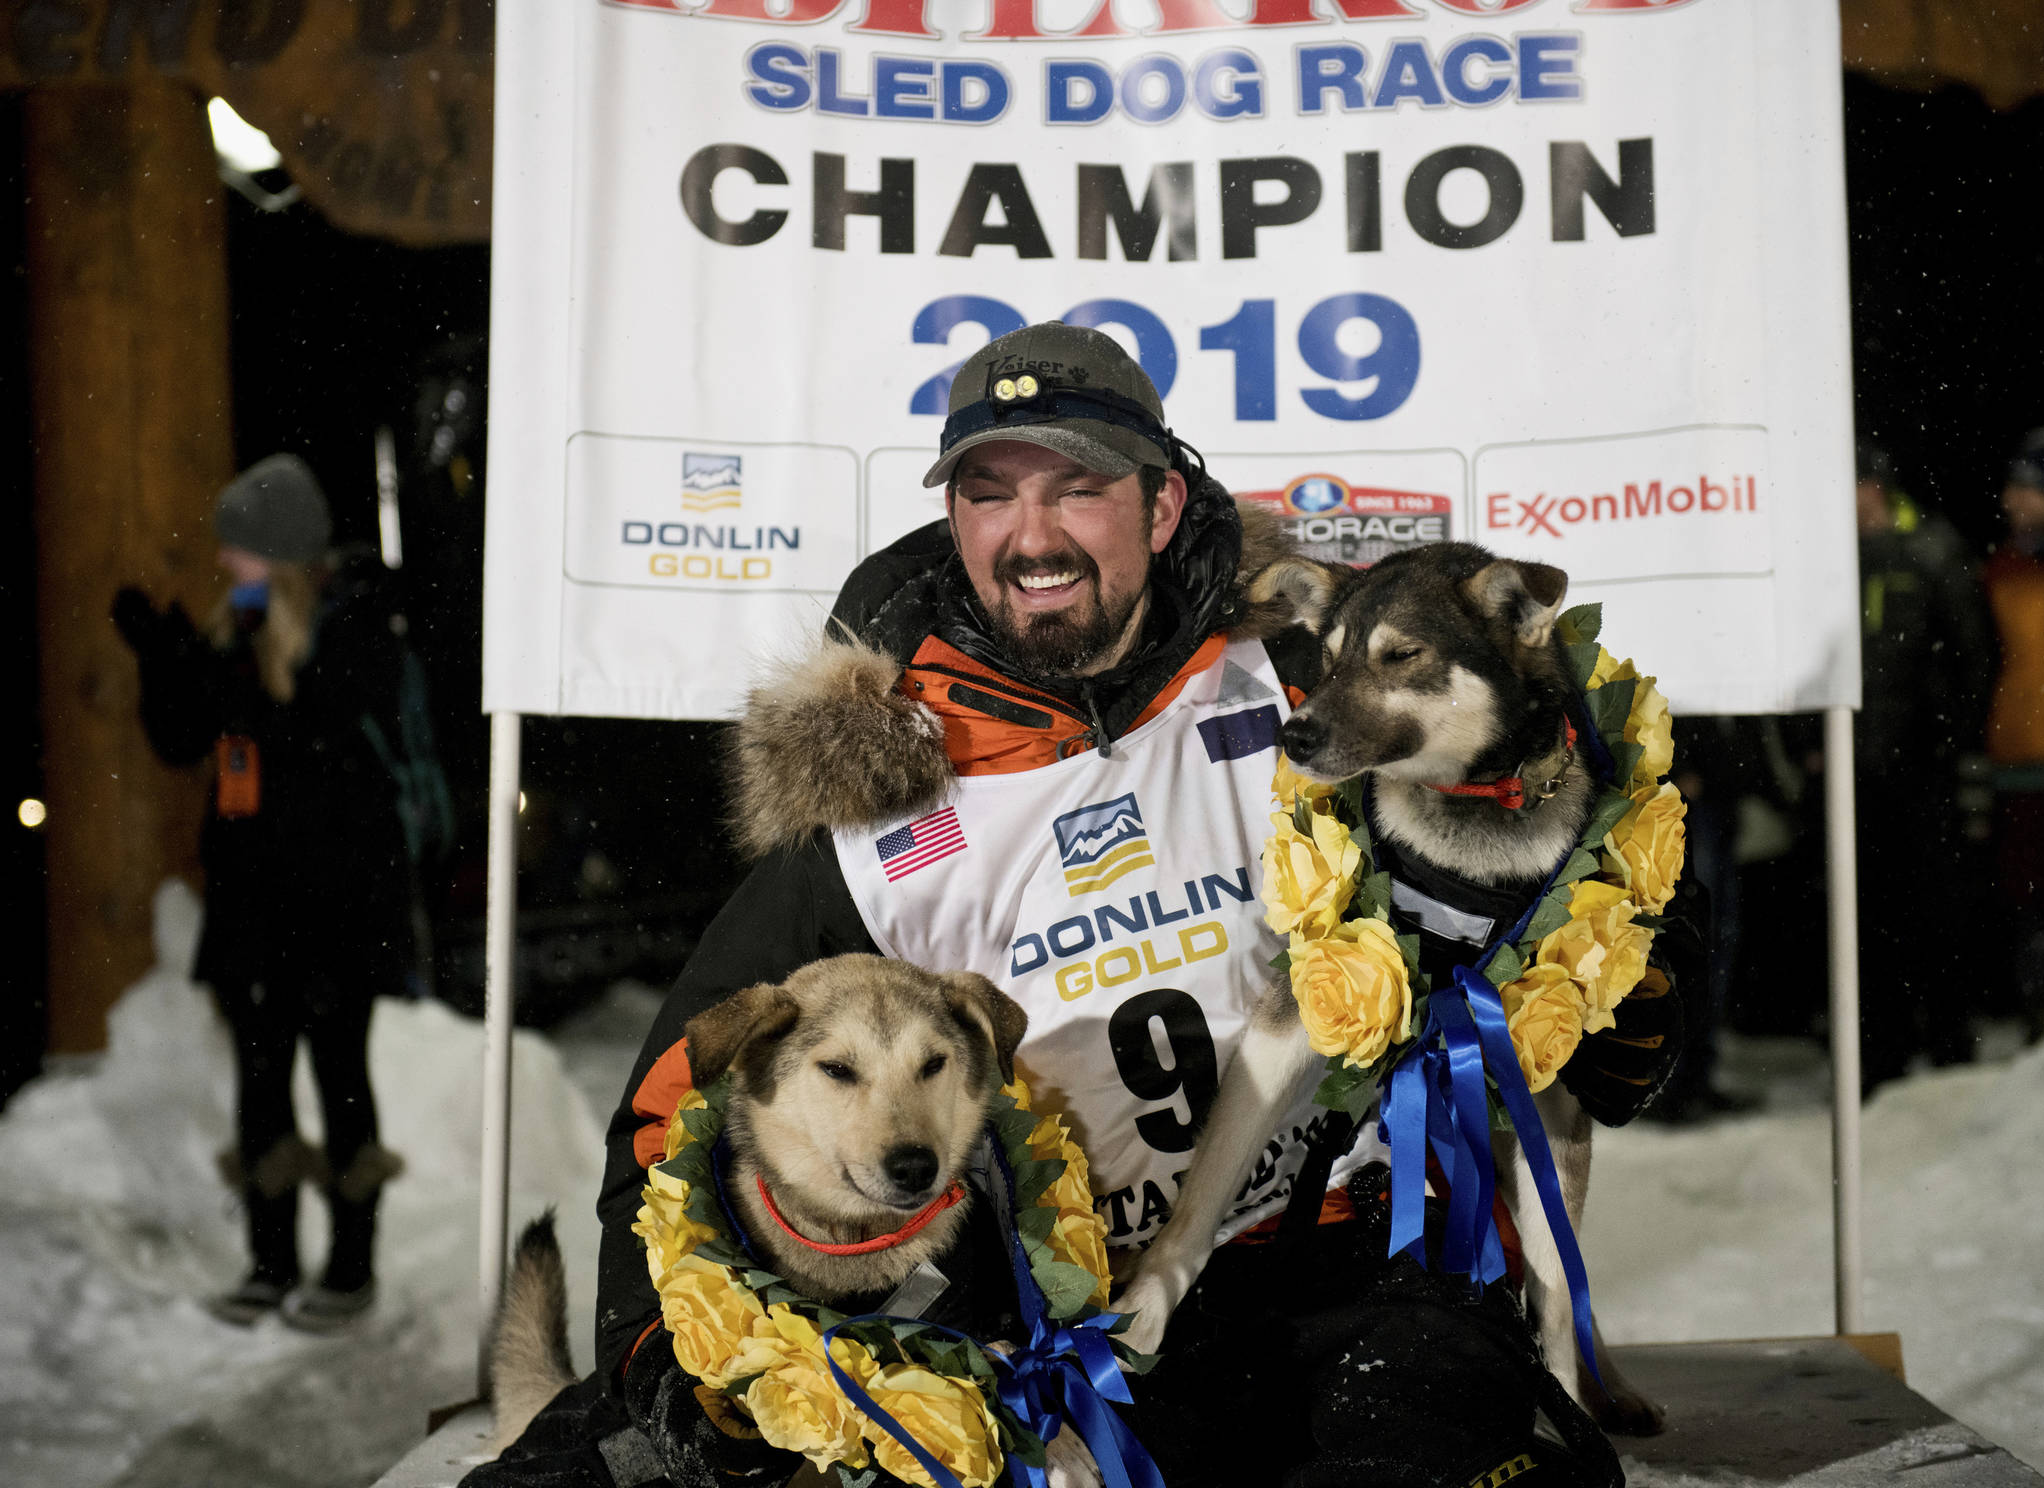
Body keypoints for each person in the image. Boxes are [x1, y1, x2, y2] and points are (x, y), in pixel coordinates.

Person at [483, 325, 1679, 1488]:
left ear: (1159, 508)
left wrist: (1610, 998)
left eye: (1077, 488)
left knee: (1433, 1443)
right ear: (954, 520)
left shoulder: (1300, 680)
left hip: (1348, 1268)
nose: (1030, 532)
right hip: (1049, 1323)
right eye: (989, 492)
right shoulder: (877, 787)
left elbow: (1557, 800)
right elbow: (673, 1113)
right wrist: (667, 1360)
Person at [112, 454, 411, 1331]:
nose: (221, 565)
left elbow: (315, 735)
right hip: (252, 907)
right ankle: (270, 1261)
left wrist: (251, 660)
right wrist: (160, 657)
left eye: (238, 552)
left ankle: (350, 1266)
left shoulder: (353, 628)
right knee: (258, 1081)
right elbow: (181, 739)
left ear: (280, 558)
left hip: (337, 910)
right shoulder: (240, 630)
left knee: (339, 1077)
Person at [1851, 444, 1998, 1089]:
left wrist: (1953, 741)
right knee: (1869, 910)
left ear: (1875, 488)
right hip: (1859, 766)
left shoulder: (1934, 549)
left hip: (1924, 763)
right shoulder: (1831, 556)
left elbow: (1975, 654)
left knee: (1938, 904)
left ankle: (1949, 1042)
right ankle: (1880, 1053)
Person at [1984, 428, 2044, 1046]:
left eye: (2027, 489)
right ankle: (2037, 1028)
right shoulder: (2003, 569)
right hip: (2020, 762)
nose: (2012, 501)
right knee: (2025, 901)